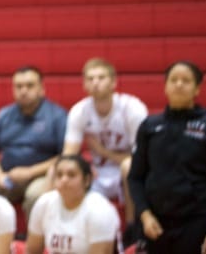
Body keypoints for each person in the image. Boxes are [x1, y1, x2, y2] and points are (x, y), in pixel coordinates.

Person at [128, 60, 206, 254]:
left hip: (196, 221)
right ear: (165, 87)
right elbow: (135, 177)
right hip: (155, 223)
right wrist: (145, 215)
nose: (178, 84)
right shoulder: (149, 126)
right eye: (173, 80)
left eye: (186, 80)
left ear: (197, 89)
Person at [60, 58, 147, 230]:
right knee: (59, 172)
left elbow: (142, 157)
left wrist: (103, 152)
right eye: (90, 79)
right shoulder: (80, 111)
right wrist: (83, 169)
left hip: (130, 172)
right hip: (98, 173)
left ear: (113, 82)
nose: (95, 83)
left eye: (101, 77)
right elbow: (68, 155)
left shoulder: (132, 108)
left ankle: (131, 227)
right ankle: (64, 226)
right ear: (84, 84)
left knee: (128, 166)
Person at [0, 66, 67, 217]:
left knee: (35, 195)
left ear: (42, 89)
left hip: (42, 176)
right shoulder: (4, 115)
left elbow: (65, 156)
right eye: (19, 86)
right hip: (8, 176)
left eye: (29, 85)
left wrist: (30, 172)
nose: (23, 91)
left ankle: (33, 239)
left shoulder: (57, 116)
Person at [25, 155, 120, 254]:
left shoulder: (100, 210)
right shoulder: (44, 203)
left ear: (87, 180)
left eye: (71, 175)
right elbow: (32, 251)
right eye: (59, 175)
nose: (64, 180)